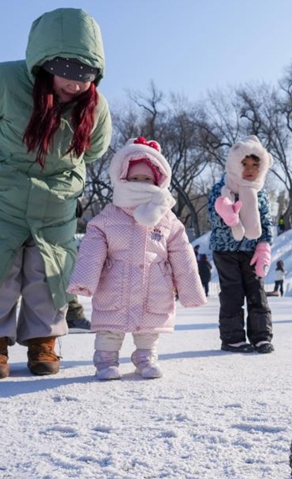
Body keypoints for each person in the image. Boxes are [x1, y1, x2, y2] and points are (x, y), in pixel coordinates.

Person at [0, 8, 112, 380]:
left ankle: (43, 342)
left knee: (48, 274)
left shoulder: (95, 107)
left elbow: (95, 150)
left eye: (86, 74)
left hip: (55, 206)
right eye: (66, 70)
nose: (76, 83)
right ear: (43, 63)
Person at [67, 137, 207, 380]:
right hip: (114, 287)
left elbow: (183, 256)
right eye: (135, 179)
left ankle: (145, 357)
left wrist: (191, 291)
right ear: (123, 180)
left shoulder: (168, 220)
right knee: (110, 328)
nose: (141, 184)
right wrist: (85, 281)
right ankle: (105, 360)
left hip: (154, 288)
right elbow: (92, 250)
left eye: (146, 180)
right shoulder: (109, 217)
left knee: (149, 329)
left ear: (158, 181)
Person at [209, 136, 274, 354]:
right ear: (234, 164)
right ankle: (233, 338)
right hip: (225, 250)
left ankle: (261, 337)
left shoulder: (260, 193)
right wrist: (225, 215)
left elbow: (266, 221)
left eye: (255, 165)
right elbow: (213, 216)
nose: (249, 170)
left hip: (251, 250)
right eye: (244, 164)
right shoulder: (222, 188)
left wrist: (264, 245)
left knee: (257, 292)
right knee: (232, 293)